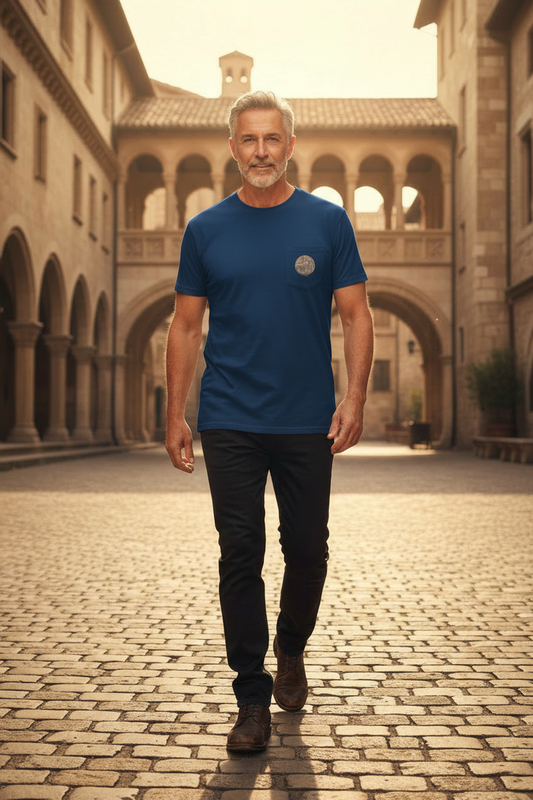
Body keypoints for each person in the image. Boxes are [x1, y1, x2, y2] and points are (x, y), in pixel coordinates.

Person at [166, 90, 374, 753]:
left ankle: (290, 646)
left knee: (307, 550)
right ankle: (251, 694)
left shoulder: (326, 222)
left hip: (306, 418)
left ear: (290, 146)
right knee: (239, 552)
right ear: (233, 149)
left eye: (272, 139)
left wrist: (355, 398)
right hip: (228, 414)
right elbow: (185, 324)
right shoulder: (204, 230)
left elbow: (357, 314)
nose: (260, 151)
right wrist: (177, 412)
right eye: (248, 140)